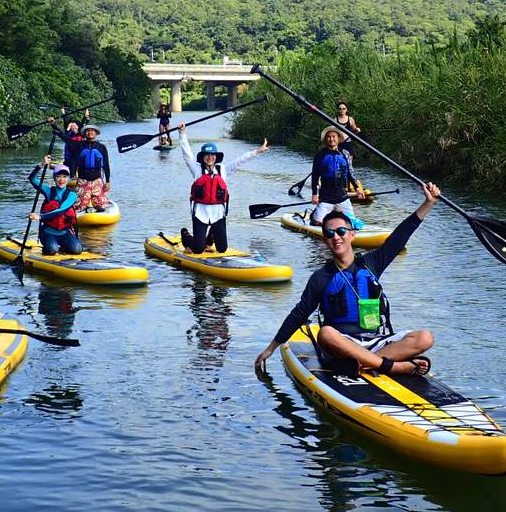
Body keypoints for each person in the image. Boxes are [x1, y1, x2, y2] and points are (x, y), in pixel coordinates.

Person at [254, 182, 442, 376]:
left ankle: (367, 364)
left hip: (377, 341)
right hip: (343, 344)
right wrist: (271, 348)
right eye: (329, 233)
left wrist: (428, 203)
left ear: (352, 234)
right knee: (325, 333)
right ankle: (391, 366)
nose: (336, 237)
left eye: (341, 231)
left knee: (425, 337)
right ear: (325, 240)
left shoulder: (372, 263)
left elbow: (399, 237)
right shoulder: (321, 277)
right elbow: (299, 314)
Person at [177, 123, 269, 253]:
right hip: (200, 214)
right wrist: (182, 134)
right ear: (203, 157)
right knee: (197, 250)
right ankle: (185, 235)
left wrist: (257, 151)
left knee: (222, 249)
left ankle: (209, 241)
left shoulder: (223, 170)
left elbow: (240, 161)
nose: (210, 157)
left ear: (216, 157)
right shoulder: (197, 170)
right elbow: (187, 154)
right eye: (207, 155)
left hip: (218, 214)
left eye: (213, 155)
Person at [310, 126, 367, 226]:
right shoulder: (320, 155)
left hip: (342, 197)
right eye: (328, 137)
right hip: (326, 197)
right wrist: (315, 194)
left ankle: (336, 216)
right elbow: (315, 176)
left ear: (338, 138)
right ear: (325, 139)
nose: (331, 139)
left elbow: (349, 173)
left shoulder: (344, 154)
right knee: (317, 223)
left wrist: (358, 188)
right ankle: (314, 214)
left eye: (333, 136)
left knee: (350, 223)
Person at [28, 156, 83, 255]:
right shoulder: (48, 191)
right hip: (48, 232)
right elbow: (32, 179)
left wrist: (40, 217)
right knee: (53, 250)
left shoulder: (72, 195)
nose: (61, 179)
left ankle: (61, 246)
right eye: (58, 176)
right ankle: (49, 247)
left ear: (68, 178)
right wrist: (41, 164)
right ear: (54, 178)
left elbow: (61, 210)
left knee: (77, 249)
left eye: (65, 176)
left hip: (64, 233)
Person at [73, 124, 111, 212]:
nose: (90, 132)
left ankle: (96, 204)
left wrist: (108, 181)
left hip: (96, 181)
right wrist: (54, 126)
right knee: (79, 207)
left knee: (102, 206)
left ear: (96, 133)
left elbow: (106, 165)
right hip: (83, 181)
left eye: (92, 130)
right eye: (87, 130)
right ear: (84, 133)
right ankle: (84, 205)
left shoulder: (102, 147)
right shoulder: (79, 146)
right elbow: (66, 139)